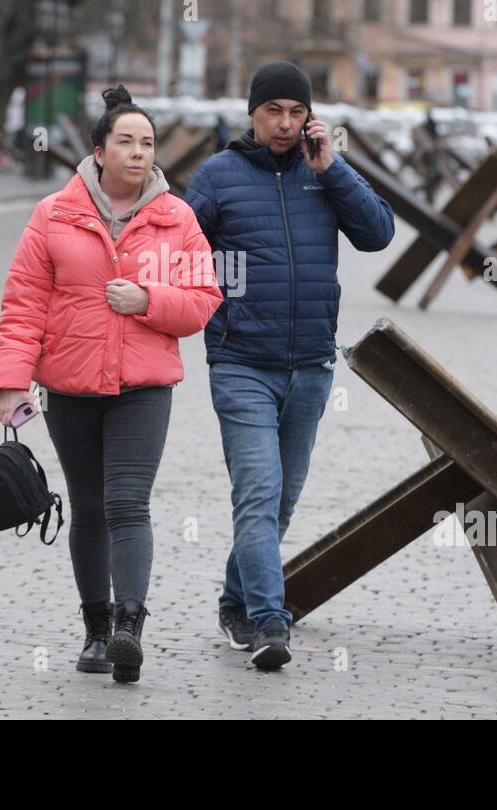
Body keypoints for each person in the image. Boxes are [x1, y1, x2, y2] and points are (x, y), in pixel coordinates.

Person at [0, 84, 222, 684]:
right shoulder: (53, 214)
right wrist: (11, 384)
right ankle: (95, 631)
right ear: (98, 151)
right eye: (126, 141)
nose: (139, 152)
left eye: (147, 143)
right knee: (90, 509)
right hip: (69, 388)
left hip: (144, 388)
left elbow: (202, 302)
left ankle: (128, 628)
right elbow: (23, 306)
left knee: (127, 503)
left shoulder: (178, 218)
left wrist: (148, 299)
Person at [183, 61, 395, 670]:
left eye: (295, 112)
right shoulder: (218, 177)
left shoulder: (323, 173)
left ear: (311, 118)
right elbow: (175, 250)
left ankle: (234, 602)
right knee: (258, 492)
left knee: (280, 501)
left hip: (310, 365)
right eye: (272, 110)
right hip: (241, 364)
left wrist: (334, 170)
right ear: (252, 114)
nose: (283, 122)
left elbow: (379, 234)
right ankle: (270, 623)